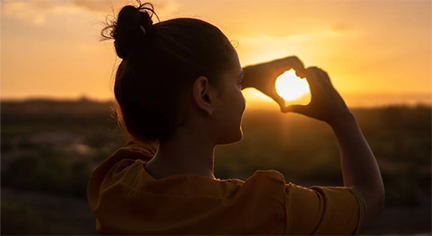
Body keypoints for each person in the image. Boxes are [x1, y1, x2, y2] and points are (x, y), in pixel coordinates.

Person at [87, 2, 385, 236]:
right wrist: (341, 117)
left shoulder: (115, 183)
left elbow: (161, 105)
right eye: (237, 82)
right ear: (204, 95)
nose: (242, 93)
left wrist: (235, 79)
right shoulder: (262, 209)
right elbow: (368, 198)